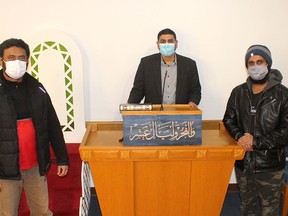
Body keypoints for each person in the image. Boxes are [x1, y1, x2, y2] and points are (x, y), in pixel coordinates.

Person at [0, 38, 69, 216]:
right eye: (11, 57)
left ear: (28, 61)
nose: (17, 62)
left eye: (22, 58)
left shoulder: (37, 89)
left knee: (42, 212)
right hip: (5, 170)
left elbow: (52, 124)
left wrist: (62, 158)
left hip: (35, 166)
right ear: (1, 61)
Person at [223, 45, 288, 215]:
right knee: (247, 206)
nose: (255, 66)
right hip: (243, 163)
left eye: (259, 61)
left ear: (268, 64)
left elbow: (285, 131)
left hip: (270, 165)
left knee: (270, 210)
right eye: (251, 63)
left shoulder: (283, 94)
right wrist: (240, 137)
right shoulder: (238, 92)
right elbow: (228, 119)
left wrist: (256, 142)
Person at [127, 28, 201, 108]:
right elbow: (138, 90)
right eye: (162, 41)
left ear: (176, 43)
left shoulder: (189, 64)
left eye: (170, 41)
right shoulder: (146, 63)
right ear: (157, 44)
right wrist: (129, 106)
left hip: (180, 114)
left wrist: (192, 102)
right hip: (153, 115)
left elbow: (195, 91)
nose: (166, 44)